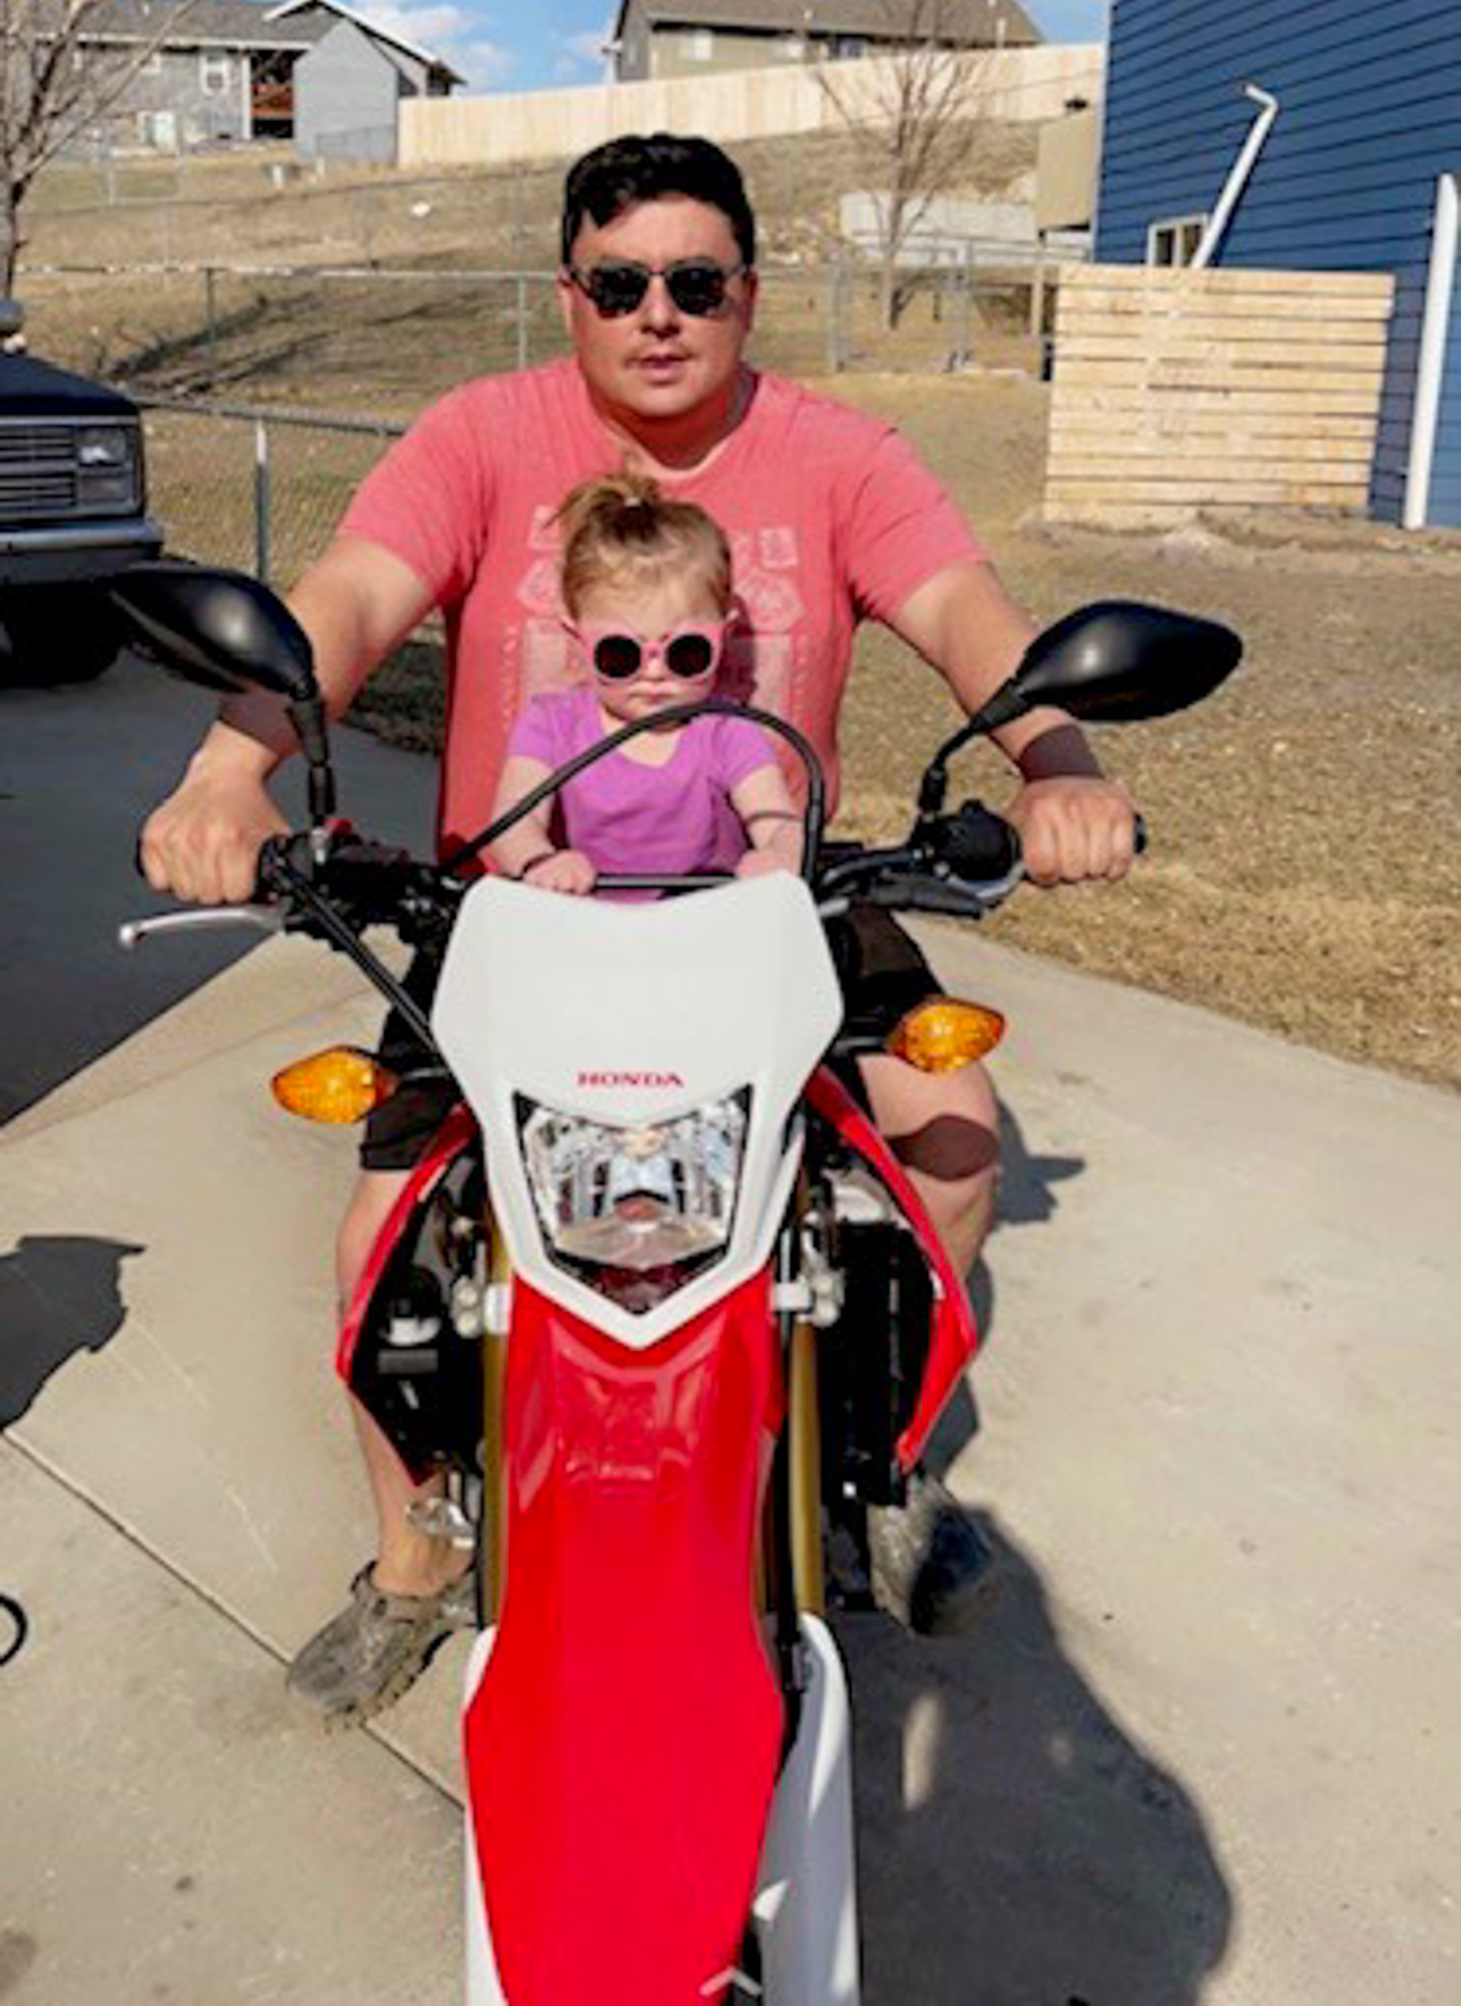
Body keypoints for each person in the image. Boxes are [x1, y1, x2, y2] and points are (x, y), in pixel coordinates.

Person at [139, 130, 1137, 1721]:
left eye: (695, 280)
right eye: (620, 282)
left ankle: (872, 1466)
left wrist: (1062, 764)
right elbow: (347, 602)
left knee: (948, 1143)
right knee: (380, 1246)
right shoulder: (480, 436)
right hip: (520, 913)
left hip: (775, 899)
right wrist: (224, 773)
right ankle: (416, 1554)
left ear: (748, 292)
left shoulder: (842, 456)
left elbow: (966, 616)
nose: (657, 312)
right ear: (569, 296)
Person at [490, 473, 802, 895]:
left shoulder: (726, 729)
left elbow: (777, 819)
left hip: (705, 930)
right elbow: (513, 821)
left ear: (724, 634)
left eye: (686, 653)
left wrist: (779, 854)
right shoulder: (552, 725)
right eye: (620, 655)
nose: (654, 673)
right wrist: (541, 860)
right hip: (583, 928)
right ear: (575, 633)